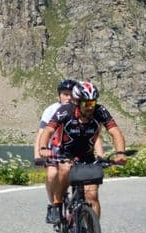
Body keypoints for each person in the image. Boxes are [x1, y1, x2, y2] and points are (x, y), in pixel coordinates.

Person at [38, 81, 127, 223]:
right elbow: (48, 130)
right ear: (76, 102)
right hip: (65, 152)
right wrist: (43, 149)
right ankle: (57, 202)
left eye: (92, 103)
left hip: (87, 155)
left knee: (92, 197)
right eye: (86, 104)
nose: (90, 108)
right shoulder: (65, 111)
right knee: (65, 169)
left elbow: (115, 132)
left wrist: (120, 153)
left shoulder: (100, 111)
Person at [34, 78, 103, 208]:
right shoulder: (52, 110)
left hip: (76, 151)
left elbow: (94, 136)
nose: (68, 97)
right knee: (52, 175)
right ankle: (53, 205)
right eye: (65, 94)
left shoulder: (83, 112)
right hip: (54, 149)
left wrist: (100, 154)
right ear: (58, 96)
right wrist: (38, 153)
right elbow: (42, 133)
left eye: (71, 94)